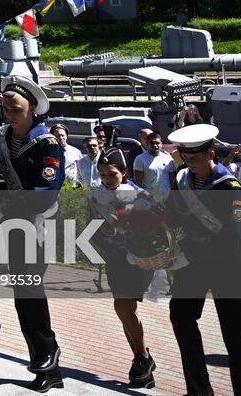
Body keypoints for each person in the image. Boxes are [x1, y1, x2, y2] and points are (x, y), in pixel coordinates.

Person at [165, 123, 241, 396]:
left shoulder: (229, 187)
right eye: (186, 158)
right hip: (191, 261)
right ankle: (199, 389)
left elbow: (233, 236)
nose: (190, 163)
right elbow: (171, 214)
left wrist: (193, 254)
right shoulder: (181, 180)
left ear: (210, 154)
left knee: (234, 330)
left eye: (196, 158)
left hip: (226, 263)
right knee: (180, 317)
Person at [0, 75, 63, 392]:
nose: (10, 114)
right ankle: (47, 366)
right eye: (6, 108)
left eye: (16, 108)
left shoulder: (47, 145)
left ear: (32, 108)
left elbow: (46, 191)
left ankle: (48, 352)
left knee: (31, 290)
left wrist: (10, 202)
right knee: (22, 295)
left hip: (36, 227)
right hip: (9, 225)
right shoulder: (1, 137)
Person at [87, 148, 156, 389]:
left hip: (138, 259)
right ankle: (142, 364)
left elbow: (156, 228)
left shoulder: (141, 196)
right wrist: (105, 244)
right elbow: (92, 229)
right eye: (103, 175)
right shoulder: (95, 197)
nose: (107, 180)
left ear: (124, 173)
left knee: (123, 306)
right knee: (126, 311)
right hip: (115, 258)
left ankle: (144, 358)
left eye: (112, 174)